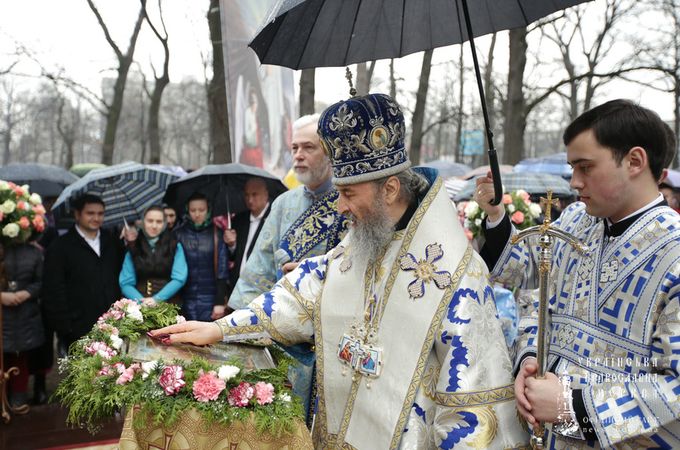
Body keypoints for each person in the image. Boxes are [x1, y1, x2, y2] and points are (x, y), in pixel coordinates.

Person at [152, 93, 529, 449]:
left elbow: (474, 408)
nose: (339, 208)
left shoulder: (458, 274)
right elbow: (302, 292)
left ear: (391, 189)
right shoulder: (364, 238)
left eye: (348, 194)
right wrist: (220, 328)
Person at [475, 99, 680, 448]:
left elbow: (675, 386)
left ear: (634, 161)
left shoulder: (673, 252)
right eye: (572, 168)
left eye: (585, 167)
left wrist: (572, 406)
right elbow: (533, 297)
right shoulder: (573, 222)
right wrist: (530, 358)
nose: (574, 181)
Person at [228, 113, 346, 309]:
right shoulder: (283, 203)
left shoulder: (350, 200)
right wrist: (236, 319)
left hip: (330, 317)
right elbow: (260, 267)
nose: (298, 155)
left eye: (308, 147)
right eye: (294, 148)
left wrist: (312, 272)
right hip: (283, 318)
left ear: (330, 152)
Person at [42, 194, 128, 350]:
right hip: (78, 328)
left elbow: (124, 274)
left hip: (113, 323)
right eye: (90, 213)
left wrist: (131, 244)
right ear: (77, 214)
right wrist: (65, 327)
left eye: (100, 213)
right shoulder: (60, 247)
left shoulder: (112, 241)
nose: (96, 218)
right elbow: (53, 289)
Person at [2, 241, 44, 409]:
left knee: (20, 360)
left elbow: (41, 280)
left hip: (24, 316)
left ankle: (18, 401)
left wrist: (27, 292)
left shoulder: (33, 252)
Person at [174, 192, 228, 321]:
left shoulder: (217, 234)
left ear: (208, 210)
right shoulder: (178, 234)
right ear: (187, 210)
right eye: (193, 210)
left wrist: (219, 302)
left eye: (201, 210)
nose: (197, 214)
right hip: (183, 299)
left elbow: (223, 269)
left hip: (210, 299)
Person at [118, 206, 188, 304]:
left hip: (168, 304)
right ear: (143, 222)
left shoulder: (174, 245)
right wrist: (141, 302)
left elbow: (179, 278)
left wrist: (157, 299)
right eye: (150, 221)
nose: (154, 226)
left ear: (164, 224)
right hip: (138, 306)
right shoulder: (134, 245)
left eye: (159, 222)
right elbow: (126, 283)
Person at [223, 177, 271, 297]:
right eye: (247, 195)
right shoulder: (239, 220)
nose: (250, 200)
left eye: (255, 195)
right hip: (238, 288)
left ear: (266, 194)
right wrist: (231, 245)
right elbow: (233, 257)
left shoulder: (275, 217)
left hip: (262, 290)